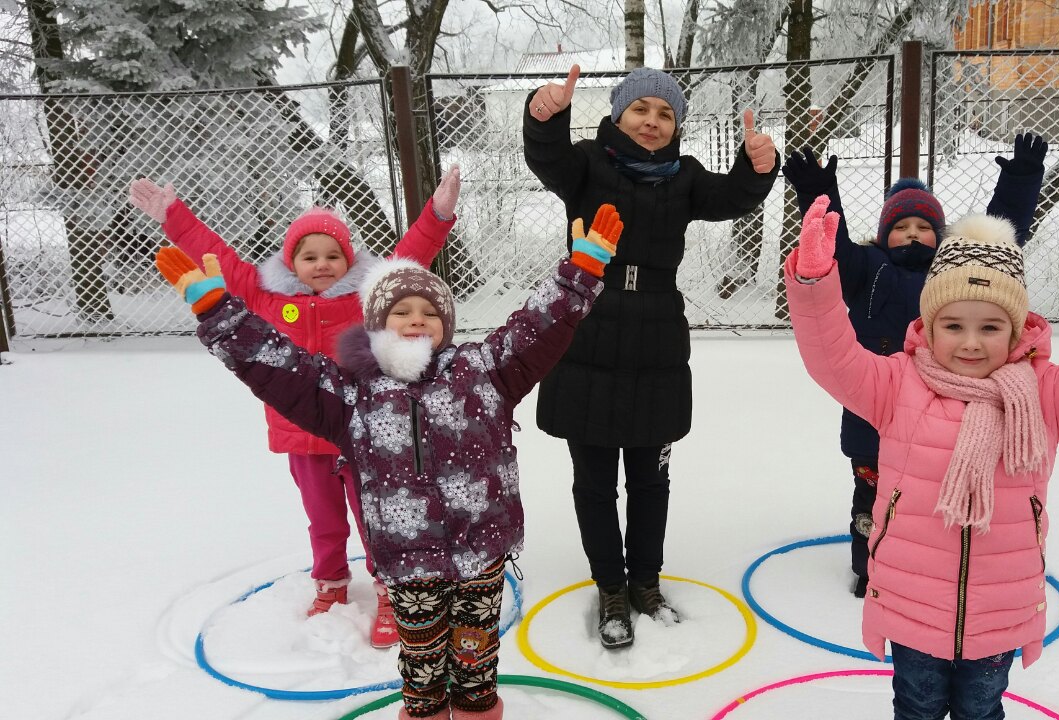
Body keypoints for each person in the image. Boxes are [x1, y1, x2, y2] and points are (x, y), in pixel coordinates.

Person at [153, 205, 624, 720]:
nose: (415, 318)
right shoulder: (349, 392)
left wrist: (579, 275)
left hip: (481, 548)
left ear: (446, 323)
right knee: (421, 664)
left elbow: (536, 329)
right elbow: (278, 367)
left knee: (475, 657)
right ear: (377, 324)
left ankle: (476, 710)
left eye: (428, 310)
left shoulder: (483, 370)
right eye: (401, 312)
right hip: (408, 557)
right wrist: (220, 313)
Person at [785, 197, 1059, 719]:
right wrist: (813, 284)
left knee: (982, 711)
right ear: (929, 324)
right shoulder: (896, 385)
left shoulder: (1043, 396)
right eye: (954, 325)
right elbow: (831, 356)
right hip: (912, 602)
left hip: (998, 610)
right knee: (916, 706)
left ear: (1017, 329)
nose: (971, 343)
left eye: (990, 327)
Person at [129, 168, 461, 647]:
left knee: (375, 515)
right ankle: (330, 585)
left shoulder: (364, 297)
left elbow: (411, 254)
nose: (322, 264)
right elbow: (215, 256)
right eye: (310, 256)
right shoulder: (264, 295)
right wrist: (173, 216)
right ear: (292, 262)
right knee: (322, 518)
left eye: (333, 256)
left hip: (358, 431)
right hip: (300, 435)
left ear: (349, 261)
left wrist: (438, 215)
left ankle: (391, 588)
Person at [523, 64, 780, 648]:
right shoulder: (587, 164)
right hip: (586, 326)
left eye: (665, 113)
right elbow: (547, 156)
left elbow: (732, 196)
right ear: (618, 115)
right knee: (593, 481)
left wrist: (757, 164)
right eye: (641, 109)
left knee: (650, 479)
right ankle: (610, 586)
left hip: (656, 340)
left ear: (677, 126)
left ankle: (645, 581)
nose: (652, 121)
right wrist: (545, 114)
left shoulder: (684, 177)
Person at [781, 134, 1047, 597]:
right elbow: (832, 243)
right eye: (900, 226)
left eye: (923, 227)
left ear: (940, 236)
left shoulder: (952, 269)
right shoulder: (867, 266)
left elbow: (1003, 235)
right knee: (872, 496)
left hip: (943, 411)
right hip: (876, 406)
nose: (911, 234)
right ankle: (869, 569)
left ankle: (935, 567)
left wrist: (1020, 179)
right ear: (884, 234)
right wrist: (816, 192)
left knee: (928, 492)